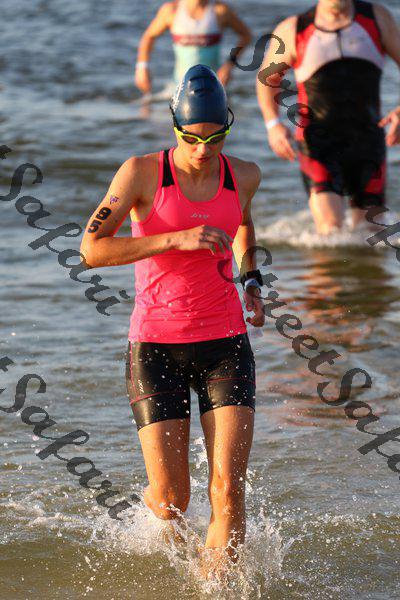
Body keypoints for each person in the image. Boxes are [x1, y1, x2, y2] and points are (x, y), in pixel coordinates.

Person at [80, 64, 265, 578]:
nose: (203, 149)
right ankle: (152, 524)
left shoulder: (244, 175)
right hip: (156, 347)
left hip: (226, 342)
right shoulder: (141, 173)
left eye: (215, 138)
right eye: (192, 138)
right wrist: (175, 239)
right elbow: (91, 249)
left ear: (227, 126)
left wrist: (252, 280)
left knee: (228, 489)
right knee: (171, 500)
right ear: (174, 125)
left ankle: (218, 589)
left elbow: (244, 225)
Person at [256, 0, 400, 235]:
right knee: (330, 229)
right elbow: (267, 80)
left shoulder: (377, 18)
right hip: (317, 144)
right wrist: (273, 125)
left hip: (368, 141)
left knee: (370, 231)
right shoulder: (294, 29)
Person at [135, 0, 251, 93]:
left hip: (214, 86)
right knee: (148, 110)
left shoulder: (220, 10)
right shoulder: (172, 10)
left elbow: (246, 35)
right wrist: (142, 67)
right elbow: (149, 36)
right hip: (179, 86)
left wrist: (229, 64)